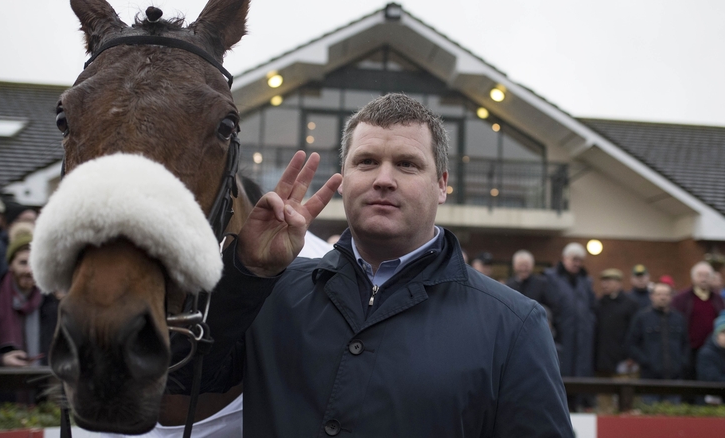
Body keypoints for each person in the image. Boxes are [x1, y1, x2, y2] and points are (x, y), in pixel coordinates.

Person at [201, 93, 572, 437]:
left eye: (407, 164)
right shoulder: (270, 290)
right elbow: (186, 379)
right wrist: (246, 271)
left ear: (442, 186)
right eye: (367, 162)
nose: (383, 179)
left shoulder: (514, 325)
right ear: (344, 180)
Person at [0, 230, 58, 368]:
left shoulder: (52, 303)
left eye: (34, 264)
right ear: (10, 265)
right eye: (23, 263)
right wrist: (0, 360)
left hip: (41, 381)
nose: (29, 271)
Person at [626, 282, 689, 404]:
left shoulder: (679, 318)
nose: (662, 297)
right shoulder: (642, 317)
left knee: (673, 418)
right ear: (652, 296)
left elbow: (685, 344)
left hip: (675, 378)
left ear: (671, 297)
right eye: (659, 294)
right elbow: (631, 344)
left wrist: (682, 363)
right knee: (650, 418)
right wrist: (646, 362)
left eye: (666, 294)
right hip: (649, 379)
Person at [544, 244, 596, 388]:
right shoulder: (550, 279)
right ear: (565, 259)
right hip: (561, 337)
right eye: (574, 259)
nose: (577, 264)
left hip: (582, 339)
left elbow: (591, 306)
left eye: (580, 260)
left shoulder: (585, 281)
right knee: (561, 375)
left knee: (581, 377)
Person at [594, 268, 639, 413]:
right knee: (604, 402)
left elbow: (635, 333)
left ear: (618, 283)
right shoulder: (599, 304)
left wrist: (631, 356)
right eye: (603, 281)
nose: (604, 285)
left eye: (608, 281)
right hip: (603, 362)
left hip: (624, 362)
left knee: (626, 401)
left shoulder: (630, 304)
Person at [671, 261, 724, 380]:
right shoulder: (681, 299)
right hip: (689, 349)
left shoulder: (718, 299)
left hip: (714, 349)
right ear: (693, 277)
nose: (703, 279)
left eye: (707, 276)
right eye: (700, 275)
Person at [505, 249, 564, 341]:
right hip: (515, 332)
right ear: (514, 266)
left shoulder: (542, 283)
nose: (523, 269)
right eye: (521, 265)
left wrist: (548, 320)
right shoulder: (509, 285)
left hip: (538, 330)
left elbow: (554, 306)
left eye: (526, 265)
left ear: (532, 266)